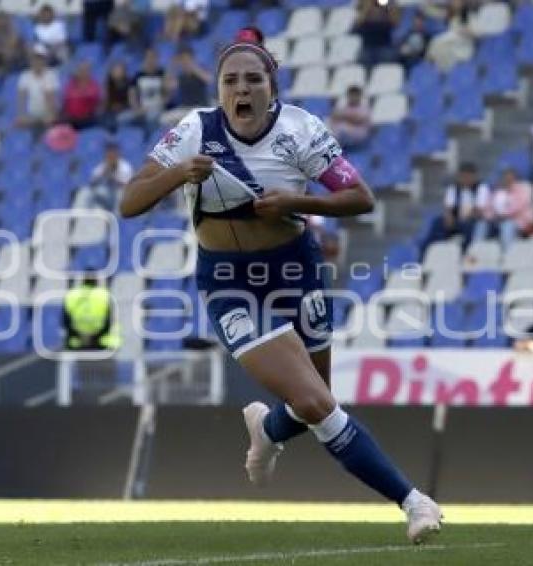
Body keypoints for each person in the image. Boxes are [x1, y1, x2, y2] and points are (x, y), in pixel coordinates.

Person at [119, 26, 442, 543]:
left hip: (297, 269)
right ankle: (413, 501)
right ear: (219, 88)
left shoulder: (301, 130)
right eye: (230, 80)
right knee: (317, 406)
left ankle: (267, 431)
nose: (241, 90)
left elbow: (360, 198)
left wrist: (297, 202)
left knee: (314, 396)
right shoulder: (193, 133)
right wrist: (178, 173)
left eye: (252, 79)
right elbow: (129, 202)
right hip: (229, 282)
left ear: (273, 85)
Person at [423, 162, 489, 251]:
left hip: (473, 219)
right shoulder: (453, 188)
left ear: (474, 176)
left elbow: (479, 209)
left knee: (469, 227)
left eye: (468, 176)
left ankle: (464, 252)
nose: (465, 179)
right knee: (437, 222)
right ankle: (430, 250)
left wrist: (466, 217)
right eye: (463, 176)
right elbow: (448, 207)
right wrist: (449, 217)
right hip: (456, 219)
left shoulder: (482, 188)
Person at [474, 167, 533, 249]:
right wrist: (489, 216)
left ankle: (506, 254)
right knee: (481, 225)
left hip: (517, 221)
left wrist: (504, 215)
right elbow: (488, 208)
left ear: (515, 178)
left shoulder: (521, 190)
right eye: (505, 177)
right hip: (496, 220)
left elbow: (518, 206)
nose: (507, 179)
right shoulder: (496, 191)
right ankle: (476, 251)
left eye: (510, 177)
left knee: (507, 226)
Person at [63, 276, 121, 350]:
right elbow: (111, 320)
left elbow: (66, 320)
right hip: (103, 343)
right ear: (97, 281)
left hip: (77, 342)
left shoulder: (72, 294)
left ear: (82, 281)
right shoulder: (104, 294)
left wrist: (78, 336)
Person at [15, 46, 60, 131]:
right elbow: (22, 98)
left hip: (47, 113)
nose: (37, 62)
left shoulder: (51, 75)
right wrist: (21, 115)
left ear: (44, 60)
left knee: (49, 121)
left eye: (40, 59)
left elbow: (51, 97)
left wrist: (50, 115)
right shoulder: (24, 76)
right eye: (35, 59)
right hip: (31, 114)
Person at [88, 140, 133, 210]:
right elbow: (92, 184)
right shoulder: (102, 166)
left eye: (113, 152)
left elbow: (129, 187)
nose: (111, 154)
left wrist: (113, 178)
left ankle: (118, 219)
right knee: (87, 193)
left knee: (120, 194)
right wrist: (103, 173)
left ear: (117, 154)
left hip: (120, 195)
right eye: (109, 152)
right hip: (106, 195)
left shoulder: (125, 167)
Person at [61, 60, 103, 129]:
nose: (83, 72)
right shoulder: (70, 84)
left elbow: (94, 98)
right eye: (81, 70)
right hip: (71, 119)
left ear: (89, 72)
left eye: (86, 70)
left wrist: (81, 93)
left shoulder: (94, 85)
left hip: (88, 118)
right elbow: (66, 100)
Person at [327, 85, 371, 150]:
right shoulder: (343, 107)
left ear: (359, 96)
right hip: (342, 135)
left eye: (355, 95)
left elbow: (358, 120)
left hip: (358, 134)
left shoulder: (364, 108)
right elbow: (334, 117)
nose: (353, 98)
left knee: (342, 129)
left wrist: (343, 117)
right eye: (351, 95)